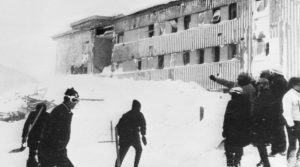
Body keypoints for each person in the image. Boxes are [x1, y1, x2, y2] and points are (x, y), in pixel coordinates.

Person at [38, 88, 79, 167]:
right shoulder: (60, 112)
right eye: (74, 100)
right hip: (52, 150)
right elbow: (52, 133)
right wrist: (59, 150)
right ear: (67, 99)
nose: (76, 103)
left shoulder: (64, 111)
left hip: (52, 150)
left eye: (77, 100)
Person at [260, 69, 288, 156]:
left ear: (275, 73)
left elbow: (273, 95)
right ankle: (281, 148)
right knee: (279, 128)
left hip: (276, 109)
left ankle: (276, 149)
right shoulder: (283, 81)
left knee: (276, 129)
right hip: (280, 108)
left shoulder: (276, 82)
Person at [223, 87, 252, 167]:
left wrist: (225, 130)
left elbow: (227, 117)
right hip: (242, 130)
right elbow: (249, 117)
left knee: (228, 146)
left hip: (231, 129)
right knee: (239, 146)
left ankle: (230, 162)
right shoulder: (246, 103)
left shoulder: (231, 103)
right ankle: (237, 161)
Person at [115, 99, 147, 167]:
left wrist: (121, 137)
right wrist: (143, 135)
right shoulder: (139, 114)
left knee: (120, 156)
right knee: (139, 150)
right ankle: (135, 166)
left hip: (125, 139)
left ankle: (116, 166)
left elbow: (118, 127)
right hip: (135, 137)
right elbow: (143, 124)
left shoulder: (126, 115)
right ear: (138, 107)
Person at [252, 78, 273, 167]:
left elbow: (264, 110)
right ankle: (263, 161)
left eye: (259, 84)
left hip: (262, 123)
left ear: (264, 84)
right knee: (261, 144)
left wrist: (258, 120)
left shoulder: (266, 94)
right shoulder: (263, 93)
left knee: (260, 144)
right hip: (262, 122)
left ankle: (266, 164)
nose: (258, 85)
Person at [22, 103, 49, 167]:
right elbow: (51, 128)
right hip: (42, 139)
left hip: (32, 138)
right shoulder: (47, 115)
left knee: (32, 155)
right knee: (42, 156)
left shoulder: (32, 114)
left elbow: (26, 125)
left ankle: (31, 164)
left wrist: (24, 136)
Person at [282, 77, 300, 166]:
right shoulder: (288, 95)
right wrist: (291, 125)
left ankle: (298, 161)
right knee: (293, 145)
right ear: (293, 85)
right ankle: (290, 163)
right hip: (294, 122)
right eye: (299, 85)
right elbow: (286, 112)